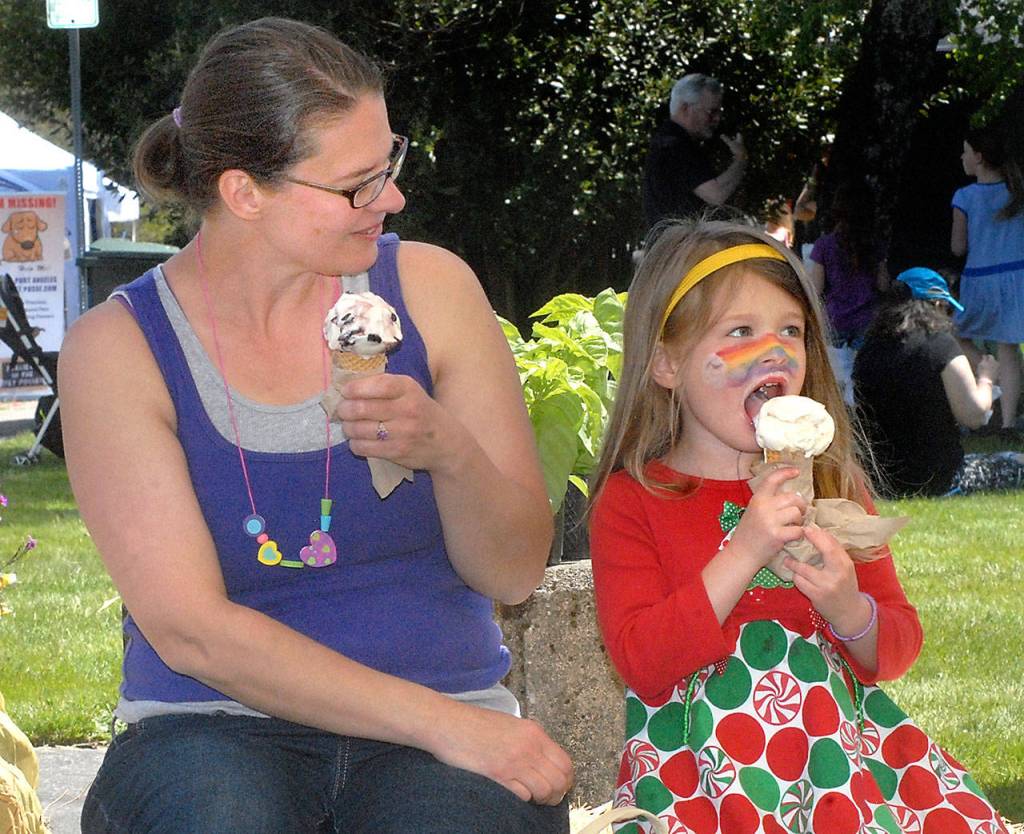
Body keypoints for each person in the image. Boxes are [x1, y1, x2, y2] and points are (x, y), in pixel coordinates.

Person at [58, 18, 572, 834]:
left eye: (389, 164)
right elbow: (193, 634)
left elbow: (511, 574)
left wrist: (449, 452)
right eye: (358, 184)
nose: (394, 198)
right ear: (244, 192)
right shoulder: (119, 351)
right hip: (210, 730)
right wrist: (447, 725)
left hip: (446, 723)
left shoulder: (432, 290)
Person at [587, 220, 1008, 833]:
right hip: (701, 782)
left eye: (791, 330)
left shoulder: (834, 487)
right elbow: (640, 660)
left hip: (839, 774)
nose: (775, 352)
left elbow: (896, 644)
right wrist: (746, 548)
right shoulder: (635, 500)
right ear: (666, 363)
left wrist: (848, 609)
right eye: (740, 332)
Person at [854, 267, 1024, 497]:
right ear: (936, 304)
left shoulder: (868, 350)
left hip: (881, 482)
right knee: (1016, 462)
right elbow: (973, 416)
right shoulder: (939, 345)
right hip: (939, 479)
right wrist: (986, 378)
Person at [951, 124, 1024, 435]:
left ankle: (985, 368)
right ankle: (1008, 422)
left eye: (966, 152)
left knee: (957, 334)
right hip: (1015, 276)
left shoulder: (964, 196)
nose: (962, 157)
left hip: (979, 278)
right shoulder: (1017, 192)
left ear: (978, 157)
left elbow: (958, 247)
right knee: (1010, 348)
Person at [807, 178, 890, 403]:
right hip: (867, 321)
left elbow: (816, 288)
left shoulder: (824, 245)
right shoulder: (876, 244)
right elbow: (883, 285)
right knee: (860, 377)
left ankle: (840, 417)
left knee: (837, 378)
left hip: (835, 321)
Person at [641, 73, 747, 230]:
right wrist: (741, 159)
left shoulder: (667, 140)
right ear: (685, 108)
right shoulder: (676, 146)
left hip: (673, 243)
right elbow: (716, 195)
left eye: (719, 112)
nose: (716, 119)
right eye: (711, 112)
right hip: (681, 244)